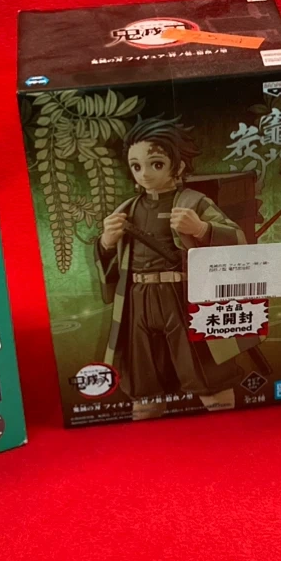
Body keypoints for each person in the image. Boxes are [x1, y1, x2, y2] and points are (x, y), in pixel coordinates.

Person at [95, 116, 248, 420]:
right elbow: (111, 262)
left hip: (182, 296)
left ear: (178, 166)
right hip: (138, 300)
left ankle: (229, 431)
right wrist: (106, 243)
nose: (145, 173)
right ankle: (147, 426)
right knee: (145, 379)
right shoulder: (127, 209)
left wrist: (202, 229)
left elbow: (239, 240)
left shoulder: (195, 202)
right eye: (136, 166)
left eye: (156, 164)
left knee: (205, 370)